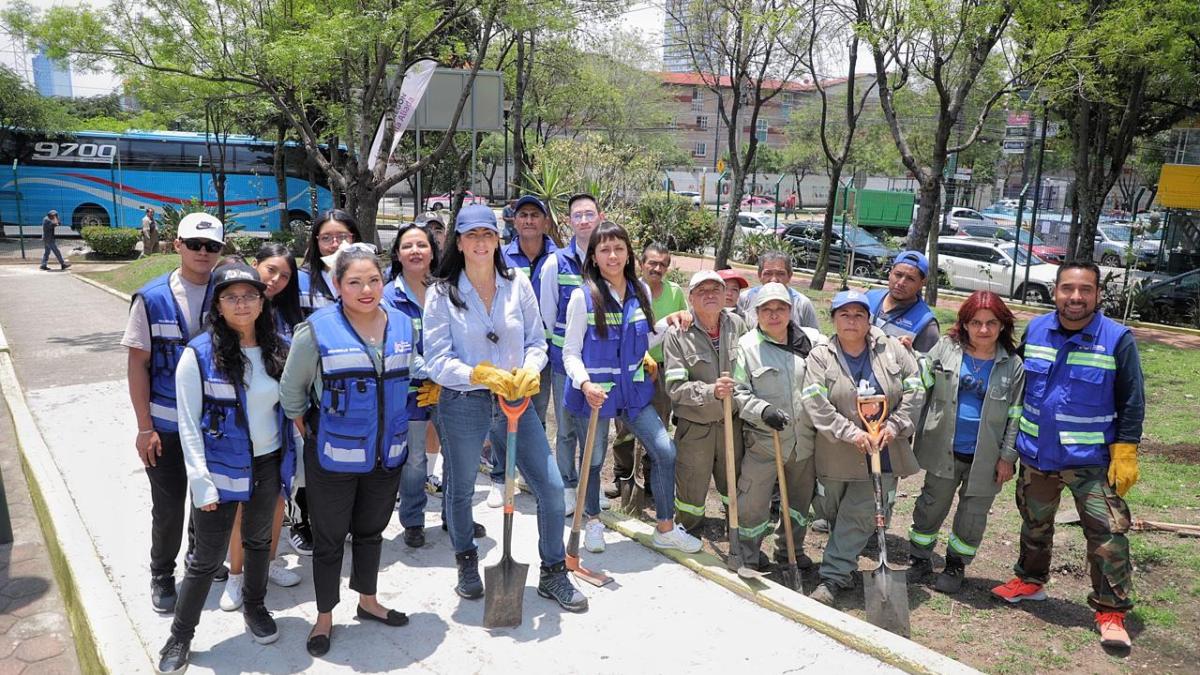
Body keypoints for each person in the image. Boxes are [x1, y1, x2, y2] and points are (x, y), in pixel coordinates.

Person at [424, 204, 587, 611]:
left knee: (549, 488)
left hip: (516, 399)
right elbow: (437, 360)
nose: (480, 242)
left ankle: (553, 572)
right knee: (460, 490)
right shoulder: (442, 293)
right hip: (465, 403)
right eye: (471, 235)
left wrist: (531, 370)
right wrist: (480, 374)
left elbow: (536, 340)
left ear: (498, 240)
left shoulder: (517, 283)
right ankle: (466, 561)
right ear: (458, 243)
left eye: (487, 235)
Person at [991, 261, 1144, 650]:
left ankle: (1111, 610)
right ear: (1055, 291)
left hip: (1090, 460)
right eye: (1068, 289)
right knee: (1035, 523)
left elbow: (1131, 400)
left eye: (1085, 290)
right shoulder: (1038, 329)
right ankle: (1030, 580)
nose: (1076, 297)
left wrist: (1126, 451)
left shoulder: (1117, 339)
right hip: (1037, 456)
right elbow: (1017, 380)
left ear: (1096, 294)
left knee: (1108, 535)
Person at [154, 263, 297, 674]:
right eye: (231, 296)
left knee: (257, 543)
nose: (242, 303)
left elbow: (289, 408)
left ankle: (255, 607)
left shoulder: (278, 346)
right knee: (205, 558)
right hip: (220, 469)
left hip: (268, 463)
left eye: (250, 295)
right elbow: (187, 424)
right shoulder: (197, 354)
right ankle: (180, 636)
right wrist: (201, 482)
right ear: (217, 304)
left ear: (261, 300)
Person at [279, 244, 417, 657]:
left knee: (372, 531)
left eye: (374, 280)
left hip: (386, 453)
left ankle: (368, 600)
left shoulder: (405, 325)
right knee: (329, 538)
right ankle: (324, 617)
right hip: (333, 458)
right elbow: (292, 392)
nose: (366, 289)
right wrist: (313, 431)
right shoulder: (317, 329)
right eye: (354, 282)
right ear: (337, 285)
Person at [563, 220, 702, 555]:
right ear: (594, 257)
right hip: (594, 395)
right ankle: (593, 522)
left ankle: (665, 528)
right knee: (593, 461)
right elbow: (569, 351)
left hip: (633, 391)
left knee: (664, 451)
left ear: (628, 254)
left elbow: (642, 339)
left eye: (619, 248)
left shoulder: (638, 291)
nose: (612, 255)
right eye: (604, 249)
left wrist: (668, 324)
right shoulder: (584, 297)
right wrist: (584, 384)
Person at [122, 212, 224, 613]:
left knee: (207, 499)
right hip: (164, 425)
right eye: (195, 244)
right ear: (177, 245)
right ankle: (162, 573)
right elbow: (137, 365)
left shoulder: (229, 292)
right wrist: (143, 428)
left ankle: (199, 557)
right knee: (167, 507)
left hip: (214, 424)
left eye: (211, 246)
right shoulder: (152, 298)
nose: (203, 252)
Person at [801, 290, 925, 606]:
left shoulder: (894, 350)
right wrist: (850, 433)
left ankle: (832, 577)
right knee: (831, 511)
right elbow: (814, 400)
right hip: (838, 452)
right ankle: (847, 545)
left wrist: (895, 425)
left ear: (869, 319)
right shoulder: (820, 357)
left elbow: (915, 389)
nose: (852, 321)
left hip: (883, 450)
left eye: (859, 314)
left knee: (858, 513)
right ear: (833, 319)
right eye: (844, 314)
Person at [909, 290, 1025, 594]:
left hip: (985, 458)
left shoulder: (1012, 366)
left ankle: (955, 564)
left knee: (972, 516)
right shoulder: (946, 349)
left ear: (1002, 326)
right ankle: (919, 558)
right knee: (931, 506)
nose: (983, 329)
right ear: (965, 323)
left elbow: (1015, 415)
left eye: (991, 323)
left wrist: (1008, 456)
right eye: (976, 322)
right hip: (942, 450)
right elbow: (919, 385)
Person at [218, 246, 306, 612]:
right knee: (239, 509)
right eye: (270, 271)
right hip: (234, 435)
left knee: (277, 502)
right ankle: (236, 575)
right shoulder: (228, 318)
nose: (275, 280)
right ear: (255, 267)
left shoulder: (282, 324)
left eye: (284, 276)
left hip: (277, 435)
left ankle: (268, 565)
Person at [730, 282, 825, 572]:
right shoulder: (746, 347)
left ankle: (789, 552)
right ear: (756, 313)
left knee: (797, 505)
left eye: (780, 308)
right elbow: (738, 391)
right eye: (767, 310)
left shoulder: (811, 342)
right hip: (764, 442)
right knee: (753, 505)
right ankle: (747, 556)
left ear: (791, 311)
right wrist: (763, 410)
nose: (774, 315)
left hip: (803, 442)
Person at [661, 270, 747, 534]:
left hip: (732, 425)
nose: (710, 295)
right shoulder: (678, 334)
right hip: (695, 427)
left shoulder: (738, 325)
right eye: (702, 291)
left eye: (716, 290)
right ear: (691, 298)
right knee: (691, 492)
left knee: (734, 484)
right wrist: (711, 391)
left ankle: (737, 533)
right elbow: (675, 387)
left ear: (726, 295)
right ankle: (686, 534)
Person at [607, 242, 688, 500]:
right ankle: (622, 475)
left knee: (659, 426)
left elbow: (682, 324)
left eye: (663, 264)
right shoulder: (629, 290)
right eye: (652, 262)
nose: (657, 268)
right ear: (641, 263)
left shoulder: (674, 292)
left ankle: (654, 476)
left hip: (662, 368)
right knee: (625, 425)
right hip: (632, 368)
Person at [539, 194, 602, 516]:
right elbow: (547, 315)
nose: (584, 220)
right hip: (566, 359)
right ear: (568, 221)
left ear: (600, 217)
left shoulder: (609, 258)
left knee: (595, 426)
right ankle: (567, 485)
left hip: (602, 360)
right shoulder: (556, 262)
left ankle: (591, 488)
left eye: (589, 214)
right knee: (565, 428)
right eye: (577, 215)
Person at [383, 222, 443, 549]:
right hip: (410, 391)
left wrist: (449, 377)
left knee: (460, 453)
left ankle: (456, 517)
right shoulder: (387, 296)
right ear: (397, 253)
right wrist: (437, 373)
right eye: (408, 246)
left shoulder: (448, 290)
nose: (415, 251)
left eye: (422, 245)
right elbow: (393, 348)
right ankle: (414, 519)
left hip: (452, 389)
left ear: (433, 251)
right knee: (415, 458)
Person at [501, 195, 558, 426]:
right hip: (510, 348)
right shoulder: (501, 258)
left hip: (545, 349)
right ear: (514, 221)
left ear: (545, 222)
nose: (528, 220)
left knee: (537, 412)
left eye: (535, 215)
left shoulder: (559, 257)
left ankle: (532, 460)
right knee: (507, 413)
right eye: (523, 215)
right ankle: (503, 462)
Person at [866, 250, 940, 353]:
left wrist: (909, 354)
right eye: (898, 275)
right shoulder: (868, 298)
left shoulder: (926, 324)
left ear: (922, 283)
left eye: (910, 279)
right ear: (890, 273)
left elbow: (927, 366)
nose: (901, 283)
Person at [298, 209, 362, 316]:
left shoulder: (368, 278)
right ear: (316, 241)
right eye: (326, 238)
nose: (335, 245)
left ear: (353, 239)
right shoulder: (301, 280)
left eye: (342, 237)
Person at [736, 251, 819, 330]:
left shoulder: (802, 304)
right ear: (759, 275)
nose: (774, 280)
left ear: (789, 276)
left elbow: (815, 338)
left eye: (780, 274)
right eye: (768, 273)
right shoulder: (745, 298)